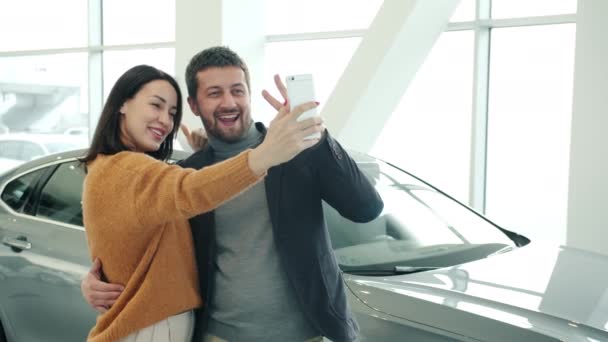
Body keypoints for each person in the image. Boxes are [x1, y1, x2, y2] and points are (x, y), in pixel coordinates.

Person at [82, 47, 384, 342]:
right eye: (214, 93)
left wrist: (315, 134)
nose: (229, 102)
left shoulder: (298, 151)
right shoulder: (189, 173)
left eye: (237, 91)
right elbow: (147, 244)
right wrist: (97, 279)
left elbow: (366, 208)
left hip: (309, 333)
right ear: (195, 105)